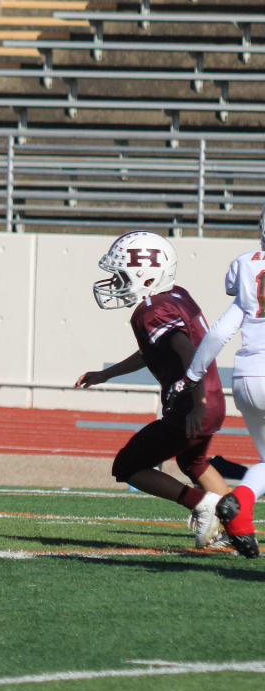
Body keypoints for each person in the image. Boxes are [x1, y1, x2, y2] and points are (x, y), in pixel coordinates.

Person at [74, 230, 232, 547]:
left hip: (193, 405)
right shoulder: (176, 296)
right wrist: (106, 375)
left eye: (122, 276)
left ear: (147, 276)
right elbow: (153, 351)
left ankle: (204, 505)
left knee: (128, 466)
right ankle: (237, 527)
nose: (115, 283)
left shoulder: (150, 311)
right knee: (194, 463)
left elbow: (188, 351)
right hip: (212, 399)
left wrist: (197, 403)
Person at [179, 206, 265, 558]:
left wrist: (192, 374)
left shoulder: (246, 264)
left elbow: (219, 332)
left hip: (248, 377)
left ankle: (240, 516)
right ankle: (240, 502)